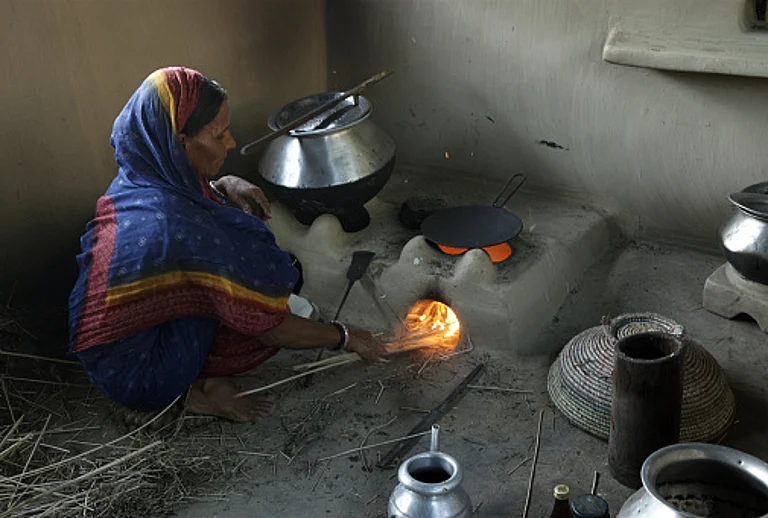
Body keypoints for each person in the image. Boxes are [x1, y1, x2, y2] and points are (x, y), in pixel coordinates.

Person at [68, 67, 385, 422]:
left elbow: (184, 199)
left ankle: (202, 379)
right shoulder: (177, 228)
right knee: (247, 300)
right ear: (179, 141)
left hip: (112, 348)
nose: (231, 142)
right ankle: (193, 395)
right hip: (136, 373)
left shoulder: (143, 173)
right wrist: (343, 336)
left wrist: (219, 184)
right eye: (219, 135)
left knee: (231, 284)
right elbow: (271, 327)